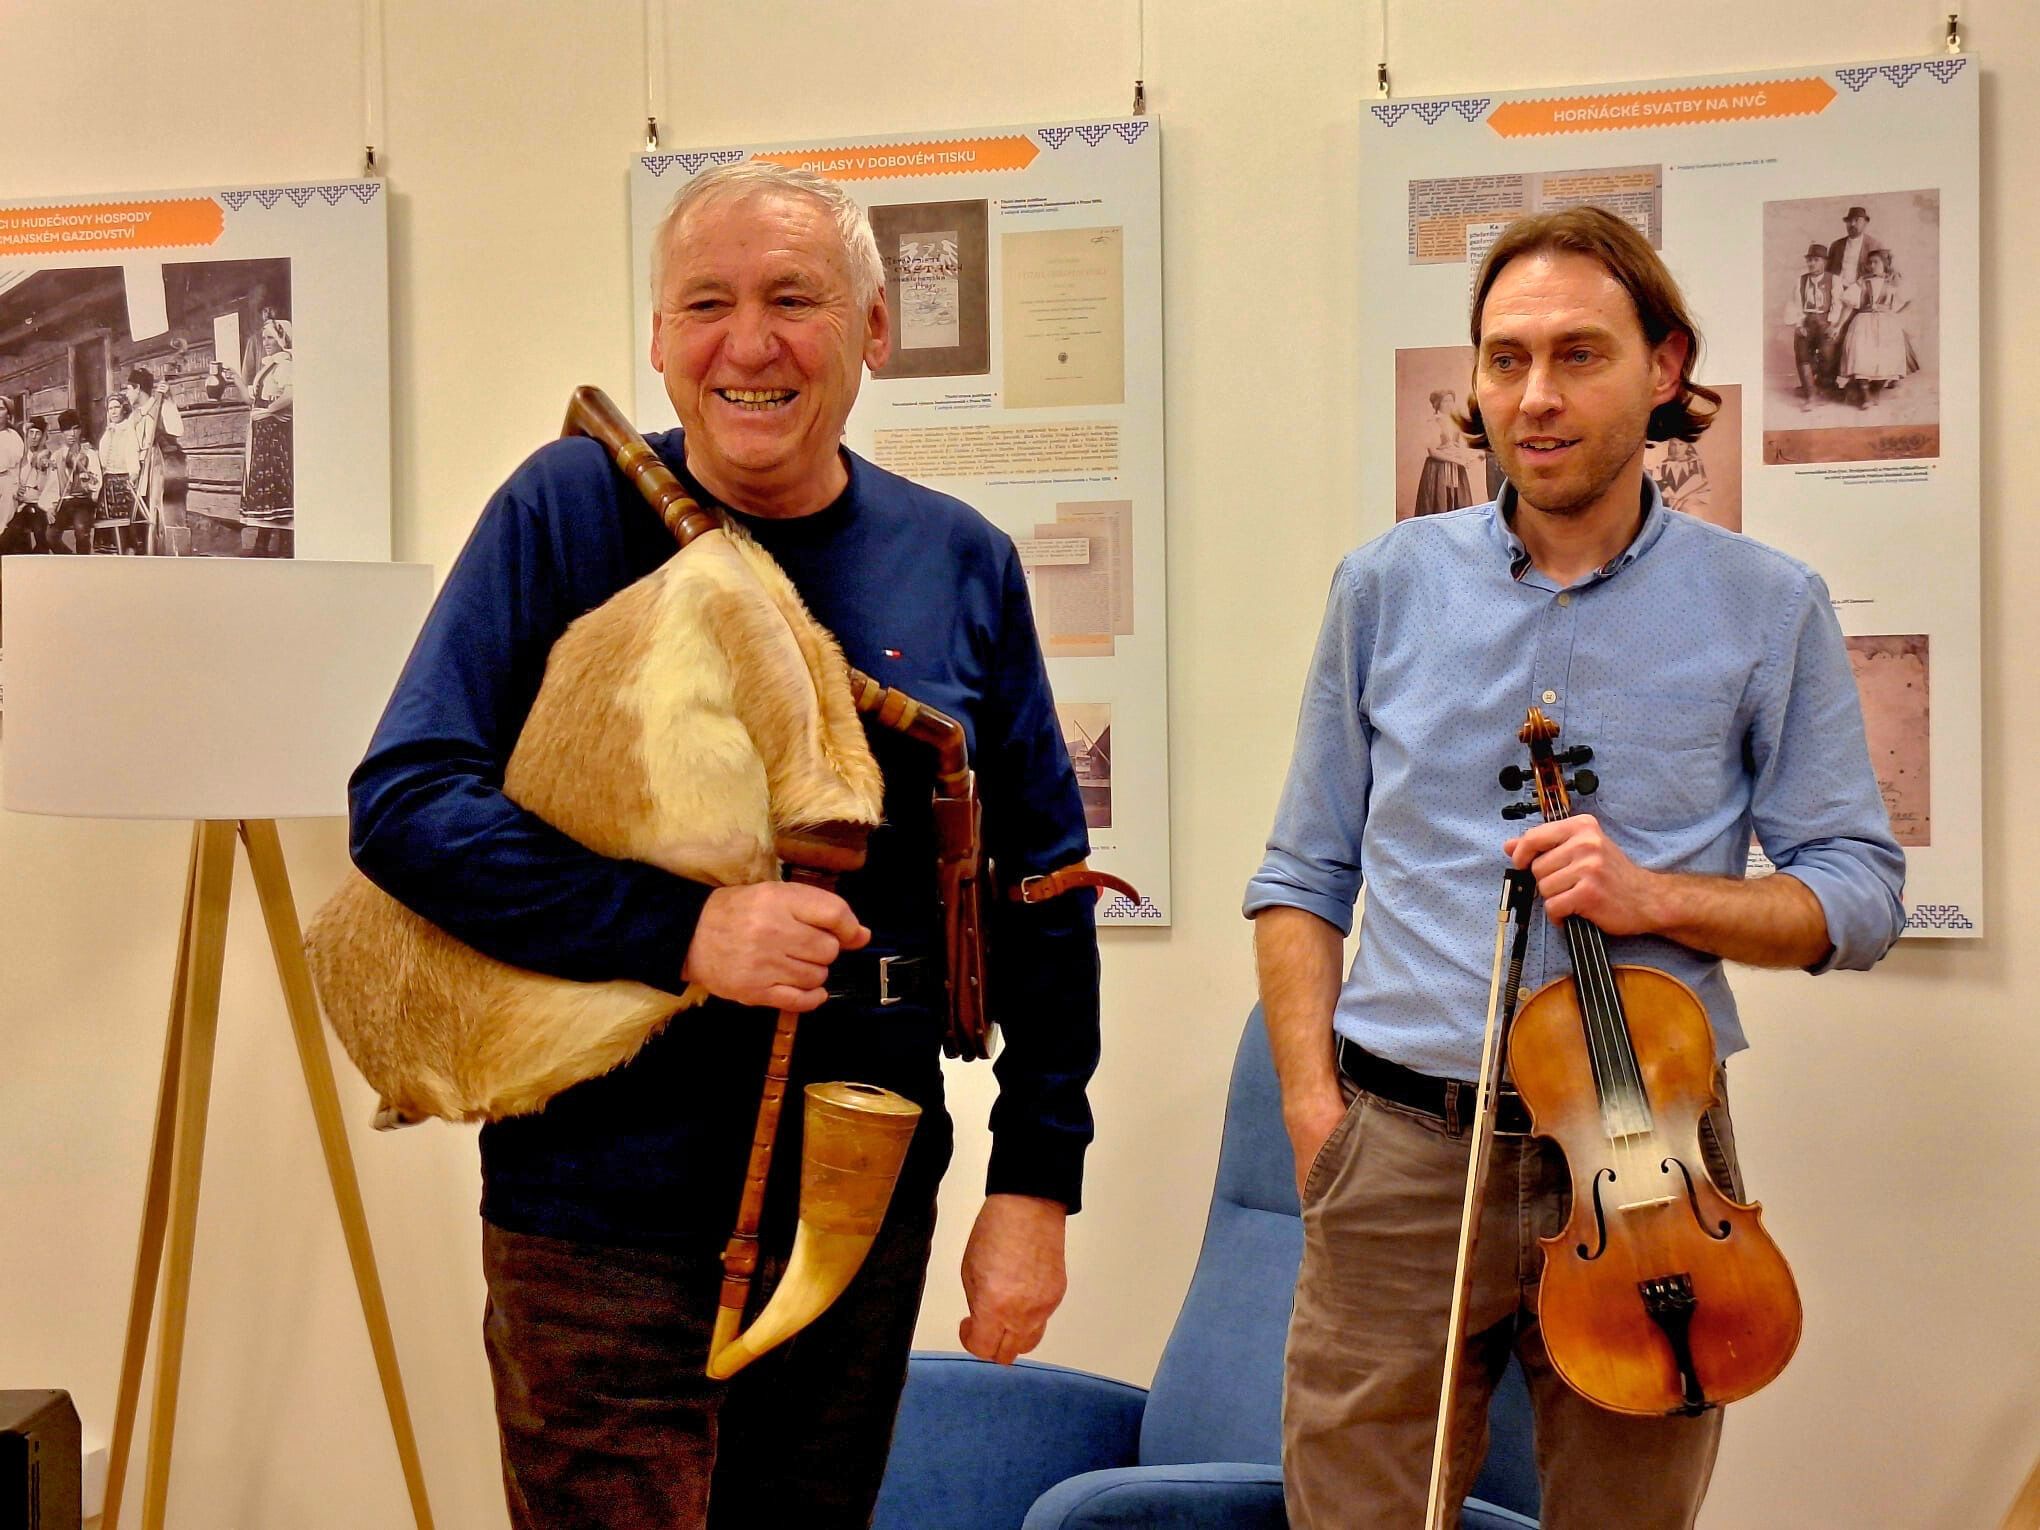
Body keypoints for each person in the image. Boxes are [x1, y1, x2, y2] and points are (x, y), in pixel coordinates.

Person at [348, 162, 1101, 1529]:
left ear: (875, 331)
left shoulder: (962, 559)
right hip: (591, 1195)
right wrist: (683, 930)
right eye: (706, 304)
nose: (748, 345)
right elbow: (407, 801)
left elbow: (1040, 888)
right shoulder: (566, 512)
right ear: (658, 336)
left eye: (793, 300)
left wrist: (1036, 1181)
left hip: (860, 1183)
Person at [1246, 204, 1904, 1530]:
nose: (1534, 396)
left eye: (1578, 354)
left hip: (1652, 1161)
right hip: (1400, 1152)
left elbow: (1859, 893)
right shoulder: (1383, 586)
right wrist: (1319, 1119)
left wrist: (1657, 897)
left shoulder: (1766, 604)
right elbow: (1302, 876)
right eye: (1506, 359)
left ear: (1665, 367)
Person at [221, 317, 294, 555]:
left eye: (271, 337)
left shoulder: (286, 364)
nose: (266, 342)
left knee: (277, 484)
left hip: (276, 435)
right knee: (264, 486)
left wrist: (270, 411)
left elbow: (291, 393)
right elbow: (250, 400)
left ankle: (285, 544)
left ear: (283, 338)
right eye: (264, 338)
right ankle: (263, 542)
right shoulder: (268, 367)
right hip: (262, 436)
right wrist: (236, 378)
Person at [1835, 247, 1916, 409]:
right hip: (1863, 322)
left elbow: (1909, 299)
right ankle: (1866, 395)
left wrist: (1895, 313)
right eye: (1870, 263)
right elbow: (1848, 306)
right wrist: (1838, 325)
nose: (1872, 266)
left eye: (1876, 262)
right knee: (1860, 355)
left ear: (1885, 263)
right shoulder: (1862, 282)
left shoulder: (1892, 282)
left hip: (1886, 323)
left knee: (1885, 358)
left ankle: (1874, 391)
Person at [124, 367, 184, 555]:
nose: (126, 394)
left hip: (161, 467)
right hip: (144, 472)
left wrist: (169, 401)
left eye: (128, 389)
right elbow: (131, 448)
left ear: (138, 388)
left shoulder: (162, 405)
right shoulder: (133, 417)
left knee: (165, 514)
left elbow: (177, 430)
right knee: (142, 518)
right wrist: (134, 472)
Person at [1784, 241, 1838, 409]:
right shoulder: (1801, 281)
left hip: (1825, 322)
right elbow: (1795, 304)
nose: (1811, 263)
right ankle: (1810, 395)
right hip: (1806, 321)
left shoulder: (1834, 280)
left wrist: (1833, 324)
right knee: (1802, 351)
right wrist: (1799, 324)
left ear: (1824, 262)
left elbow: (1837, 304)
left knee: (1828, 354)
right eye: (1809, 260)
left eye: (1816, 260)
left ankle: (1824, 387)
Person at [1413, 388, 1475, 515]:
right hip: (1438, 470)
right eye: (1445, 401)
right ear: (1438, 404)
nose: (1449, 404)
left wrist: (1466, 455)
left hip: (1456, 469)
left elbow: (1456, 445)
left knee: (1459, 504)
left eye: (1451, 401)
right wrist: (1458, 460)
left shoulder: (1454, 423)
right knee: (1439, 504)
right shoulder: (1433, 422)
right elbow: (1432, 451)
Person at [49, 410, 100, 555]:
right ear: (62, 432)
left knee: (81, 529)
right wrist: (50, 507)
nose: (71, 434)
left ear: (80, 430)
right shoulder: (56, 456)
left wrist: (88, 483)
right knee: (50, 536)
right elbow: (52, 485)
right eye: (67, 430)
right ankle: (71, 559)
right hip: (64, 503)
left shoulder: (89, 454)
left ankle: (82, 563)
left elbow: (97, 482)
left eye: (75, 429)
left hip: (83, 502)